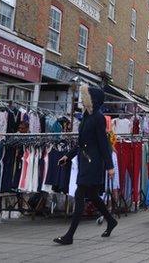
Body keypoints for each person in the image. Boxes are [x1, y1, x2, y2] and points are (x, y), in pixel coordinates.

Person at [53, 85, 117, 245]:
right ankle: (110, 220)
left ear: (93, 99)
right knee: (94, 196)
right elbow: (82, 143)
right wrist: (67, 156)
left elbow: (103, 143)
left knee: (80, 195)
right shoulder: (87, 116)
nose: (82, 100)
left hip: (93, 163)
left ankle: (69, 236)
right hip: (85, 161)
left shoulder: (98, 117)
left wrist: (110, 165)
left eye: (85, 97)